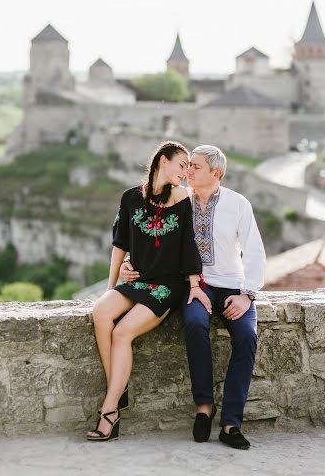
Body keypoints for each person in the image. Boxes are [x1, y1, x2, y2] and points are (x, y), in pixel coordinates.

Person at [121, 145, 266, 450]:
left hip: (232, 285)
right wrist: (128, 262)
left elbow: (255, 253)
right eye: (188, 166)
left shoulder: (238, 204)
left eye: (196, 167)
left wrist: (247, 295)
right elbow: (148, 235)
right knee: (196, 325)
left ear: (217, 173)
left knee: (247, 337)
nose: (188, 171)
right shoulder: (179, 199)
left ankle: (230, 424)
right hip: (194, 284)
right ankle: (203, 407)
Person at [87, 141, 204, 442]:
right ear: (163, 162)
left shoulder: (183, 200)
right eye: (182, 165)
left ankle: (110, 410)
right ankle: (119, 386)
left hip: (167, 285)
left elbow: (189, 245)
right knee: (101, 313)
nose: (186, 172)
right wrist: (111, 287)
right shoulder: (130, 199)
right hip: (135, 280)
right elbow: (119, 244)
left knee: (122, 332)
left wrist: (194, 285)